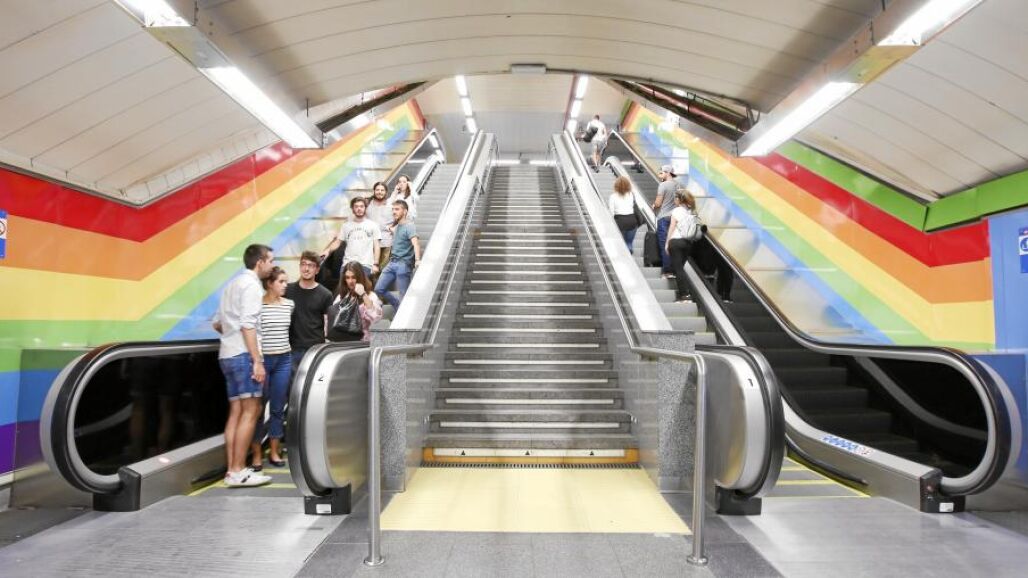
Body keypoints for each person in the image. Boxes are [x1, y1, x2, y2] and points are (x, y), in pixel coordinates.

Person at [212, 243, 274, 487]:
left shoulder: (232, 285)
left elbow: (217, 323)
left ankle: (232, 470)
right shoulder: (251, 286)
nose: (272, 265)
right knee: (251, 411)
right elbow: (248, 325)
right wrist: (257, 360)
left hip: (227, 354)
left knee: (236, 412)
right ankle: (238, 470)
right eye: (270, 261)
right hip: (243, 356)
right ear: (259, 262)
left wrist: (231, 336)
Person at [249, 266, 293, 471]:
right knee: (258, 408)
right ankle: (256, 454)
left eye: (286, 282)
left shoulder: (289, 305)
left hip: (284, 359)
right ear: (269, 284)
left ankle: (274, 452)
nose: (285, 285)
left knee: (278, 408)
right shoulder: (258, 306)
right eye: (281, 282)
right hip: (264, 360)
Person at [285, 251, 334, 371]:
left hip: (315, 349)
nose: (306, 269)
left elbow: (327, 324)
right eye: (303, 264)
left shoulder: (326, 294)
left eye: (311, 265)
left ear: (317, 270)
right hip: (292, 349)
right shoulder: (287, 290)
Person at [374, 199, 421, 311]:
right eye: (393, 209)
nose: (394, 212)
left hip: (403, 264)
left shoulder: (409, 226)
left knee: (403, 295)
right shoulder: (397, 226)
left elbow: (416, 243)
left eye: (397, 209)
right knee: (379, 289)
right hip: (392, 263)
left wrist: (417, 260)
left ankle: (402, 315)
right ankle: (397, 305)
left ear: (405, 211)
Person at [320, 196, 381, 278]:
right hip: (347, 264)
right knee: (344, 286)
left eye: (361, 206)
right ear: (352, 209)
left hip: (365, 265)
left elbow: (376, 246)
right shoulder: (346, 226)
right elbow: (338, 242)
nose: (359, 209)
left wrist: (376, 264)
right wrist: (327, 250)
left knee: (362, 287)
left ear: (365, 208)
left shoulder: (373, 225)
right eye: (356, 206)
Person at [327, 262, 384, 342]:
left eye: (353, 277)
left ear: (360, 277)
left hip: (362, 342)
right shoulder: (341, 296)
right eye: (347, 278)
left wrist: (363, 295)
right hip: (341, 342)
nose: (350, 281)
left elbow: (375, 318)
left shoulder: (371, 296)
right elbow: (333, 320)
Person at [665, 189, 703, 303]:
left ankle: (685, 295)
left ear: (679, 199)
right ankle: (671, 274)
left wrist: (667, 242)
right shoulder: (692, 212)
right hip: (687, 243)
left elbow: (672, 227)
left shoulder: (677, 210)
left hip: (676, 242)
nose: (674, 200)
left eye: (675, 198)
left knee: (679, 269)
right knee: (679, 267)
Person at [652, 165, 682, 279]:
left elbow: (658, 203)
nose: (660, 174)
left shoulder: (663, 185)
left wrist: (654, 205)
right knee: (673, 244)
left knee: (665, 244)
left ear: (668, 173)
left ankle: (667, 271)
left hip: (664, 218)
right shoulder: (678, 186)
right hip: (675, 218)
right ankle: (675, 271)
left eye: (662, 173)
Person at [366, 181, 394, 277]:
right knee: (369, 268)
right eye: (377, 190)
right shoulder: (367, 204)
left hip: (386, 241)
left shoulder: (391, 205)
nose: (380, 192)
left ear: (386, 192)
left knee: (382, 269)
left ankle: (378, 285)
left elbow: (399, 219)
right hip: (370, 241)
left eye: (382, 190)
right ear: (374, 191)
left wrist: (392, 228)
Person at [608, 175, 639, 253]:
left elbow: (611, 212)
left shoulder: (613, 196)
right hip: (631, 220)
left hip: (620, 221)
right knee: (629, 242)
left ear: (616, 185)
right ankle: (629, 249)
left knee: (620, 244)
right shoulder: (631, 195)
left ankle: (622, 255)